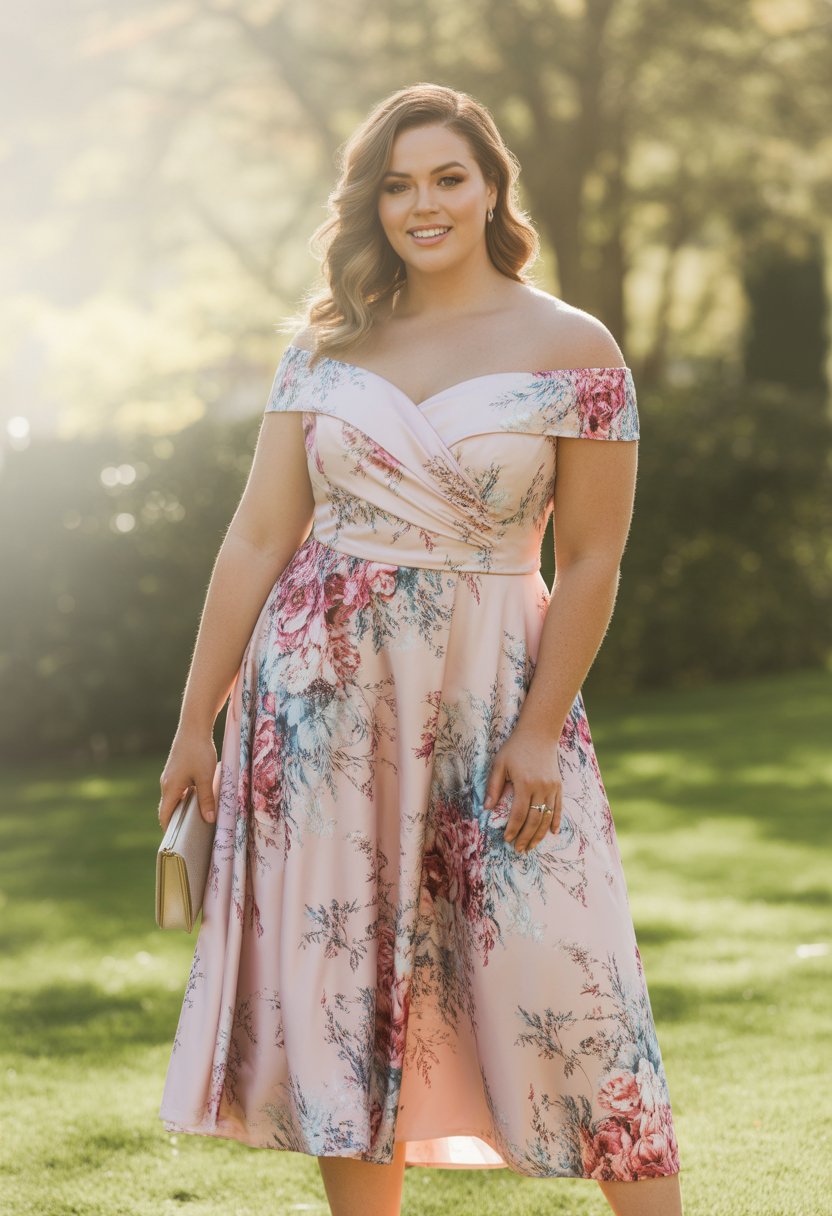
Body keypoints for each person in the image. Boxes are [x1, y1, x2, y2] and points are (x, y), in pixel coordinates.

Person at [156, 82, 684, 1216]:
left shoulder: (572, 347)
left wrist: (540, 727)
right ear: (370, 203)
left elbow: (589, 561)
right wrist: (193, 722)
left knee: (572, 977)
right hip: (319, 713)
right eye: (396, 185)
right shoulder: (328, 342)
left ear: (493, 188)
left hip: (497, 699)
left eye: (447, 177)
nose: (421, 204)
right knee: (346, 997)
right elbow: (256, 537)